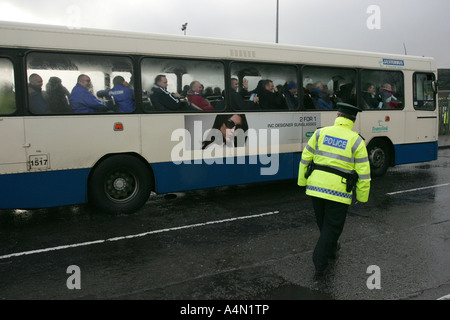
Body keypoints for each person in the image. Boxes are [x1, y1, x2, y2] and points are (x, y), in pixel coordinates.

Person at [297, 103, 371, 277]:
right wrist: (362, 196)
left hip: (315, 187)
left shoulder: (320, 133)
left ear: (338, 116)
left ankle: (330, 252)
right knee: (332, 227)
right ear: (353, 120)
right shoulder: (356, 140)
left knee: (323, 224)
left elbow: (305, 157)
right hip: (338, 190)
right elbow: (364, 173)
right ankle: (319, 260)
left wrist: (302, 182)